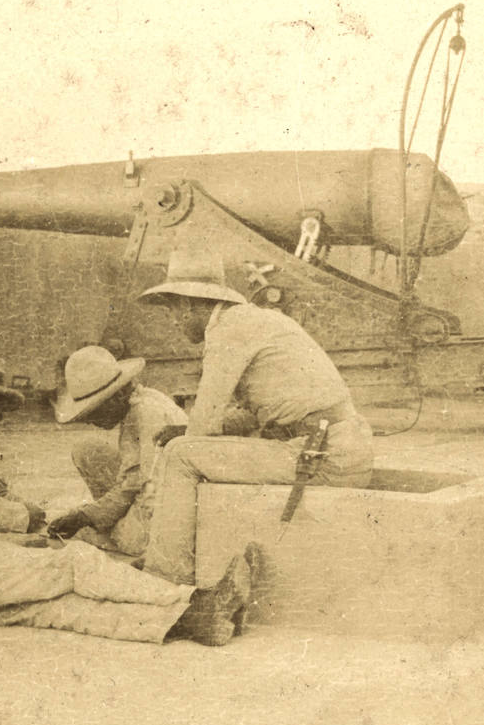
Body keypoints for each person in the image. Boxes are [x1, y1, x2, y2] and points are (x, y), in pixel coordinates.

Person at [0, 350, 255, 646]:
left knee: (63, 608)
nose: (0, 414)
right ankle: (196, 599)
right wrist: (29, 517)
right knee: (73, 563)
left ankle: (192, 623)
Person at [135, 248, 374, 585]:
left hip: (322, 456)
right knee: (189, 447)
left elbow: (203, 425)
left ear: (189, 304)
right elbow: (254, 415)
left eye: (173, 311)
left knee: (180, 455)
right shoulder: (256, 320)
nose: (175, 322)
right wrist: (186, 428)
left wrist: (186, 432)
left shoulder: (228, 330)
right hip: (340, 447)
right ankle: (171, 553)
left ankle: (164, 577)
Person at [46, 344, 188, 557]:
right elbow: (132, 479)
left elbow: (145, 489)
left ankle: (111, 527)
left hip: (167, 506)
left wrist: (89, 517)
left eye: (96, 410)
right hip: (155, 491)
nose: (92, 421)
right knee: (87, 450)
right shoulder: (143, 400)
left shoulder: (146, 415)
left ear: (118, 396)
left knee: (84, 536)